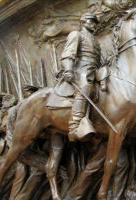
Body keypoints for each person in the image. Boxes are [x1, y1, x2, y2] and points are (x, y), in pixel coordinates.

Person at [61, 13, 101, 141]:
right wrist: (68, 70)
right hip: (82, 70)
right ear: (83, 21)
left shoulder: (95, 40)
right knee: (85, 88)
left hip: (95, 69)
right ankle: (75, 126)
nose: (94, 24)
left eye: (95, 22)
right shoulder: (76, 34)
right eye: (91, 21)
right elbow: (68, 54)